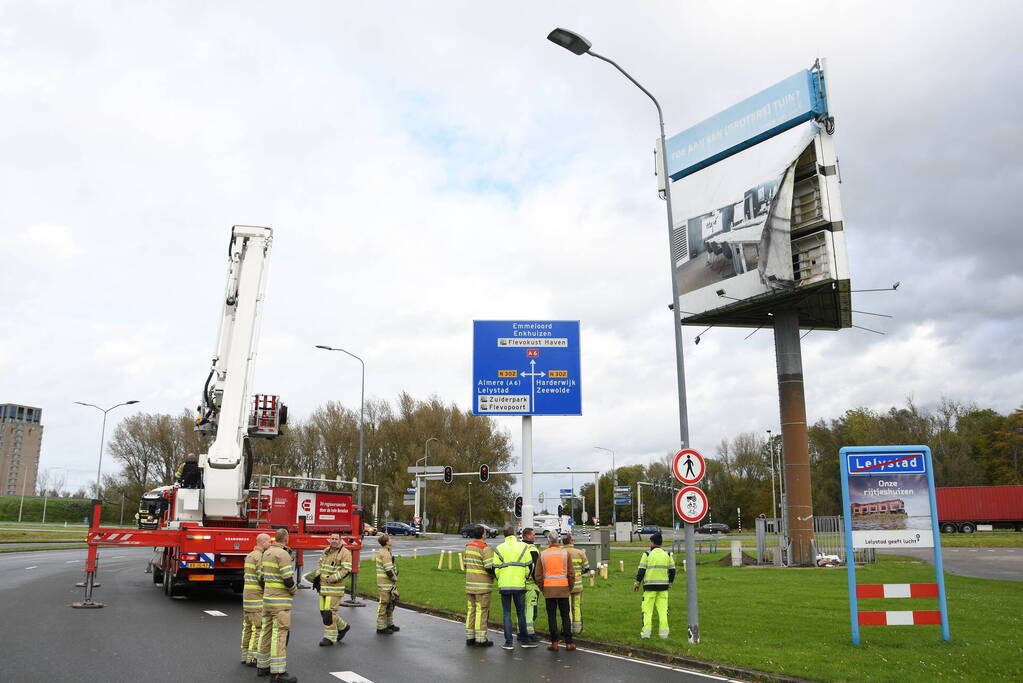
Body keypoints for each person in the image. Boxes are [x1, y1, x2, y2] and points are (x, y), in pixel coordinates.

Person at [257, 528, 298, 682]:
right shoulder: (283, 554)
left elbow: (261, 578)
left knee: (266, 632)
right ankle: (278, 673)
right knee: (280, 635)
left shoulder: (266, 553)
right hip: (280, 602)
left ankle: (262, 666)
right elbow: (288, 579)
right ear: (286, 539)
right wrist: (294, 591)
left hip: (267, 599)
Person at [492, 526, 537, 650]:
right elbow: (530, 566)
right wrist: (525, 577)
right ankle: (525, 640)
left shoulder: (499, 548)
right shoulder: (523, 547)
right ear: (515, 534)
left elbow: (495, 567)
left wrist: (500, 578)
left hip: (504, 584)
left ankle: (508, 642)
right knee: (521, 612)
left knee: (507, 613)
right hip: (519, 584)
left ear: (504, 535)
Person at [304, 532, 353, 646]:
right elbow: (320, 565)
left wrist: (332, 579)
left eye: (336, 538)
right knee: (323, 612)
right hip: (323, 588)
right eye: (332, 538)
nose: (334, 540)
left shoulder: (345, 553)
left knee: (329, 613)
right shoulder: (326, 551)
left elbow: (346, 570)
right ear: (329, 539)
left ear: (340, 540)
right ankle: (343, 627)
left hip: (334, 588)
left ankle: (329, 638)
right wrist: (317, 577)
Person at [534, 533, 576, 651]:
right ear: (558, 541)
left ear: (548, 541)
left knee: (551, 617)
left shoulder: (542, 554)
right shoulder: (565, 554)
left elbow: (538, 575)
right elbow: (571, 574)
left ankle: (554, 643)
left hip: (549, 589)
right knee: (565, 616)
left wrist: (543, 588)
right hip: (563, 588)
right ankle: (569, 643)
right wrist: (569, 587)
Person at [633, 532, 675, 639]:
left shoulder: (647, 555)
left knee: (647, 611)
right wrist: (670, 583)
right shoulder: (668, 554)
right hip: (663, 589)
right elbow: (672, 571)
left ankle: (646, 635)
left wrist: (637, 583)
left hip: (649, 589)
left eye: (650, 541)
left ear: (652, 543)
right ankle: (664, 635)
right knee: (663, 612)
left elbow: (641, 571)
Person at [241, 533, 271, 667]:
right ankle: (253, 657)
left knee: (247, 628)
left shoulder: (249, 555)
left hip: (247, 597)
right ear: (263, 542)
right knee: (259, 628)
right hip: (257, 598)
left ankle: (244, 655)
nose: (270, 544)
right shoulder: (260, 557)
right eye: (269, 542)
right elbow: (262, 577)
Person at [463, 526, 495, 647]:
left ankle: (470, 637)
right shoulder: (485, 548)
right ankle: (481, 639)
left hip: (470, 584)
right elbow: (488, 567)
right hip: (482, 586)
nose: (486, 535)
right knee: (481, 611)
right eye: (485, 533)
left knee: (471, 610)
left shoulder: (468, 546)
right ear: (482, 535)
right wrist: (495, 575)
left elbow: (466, 564)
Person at [563, 534, 590, 634]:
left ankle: (568, 628)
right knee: (576, 606)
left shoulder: (561, 552)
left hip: (566, 585)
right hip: (577, 584)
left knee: (567, 607)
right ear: (571, 541)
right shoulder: (580, 553)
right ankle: (577, 629)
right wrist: (579, 573)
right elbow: (587, 568)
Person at [375, 533, 399, 634]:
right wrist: (395, 578)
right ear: (386, 542)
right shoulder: (384, 553)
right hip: (385, 583)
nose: (392, 540)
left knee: (390, 604)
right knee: (384, 604)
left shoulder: (387, 551)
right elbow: (388, 570)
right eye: (390, 539)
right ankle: (381, 628)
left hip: (388, 583)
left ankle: (389, 624)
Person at [520, 527, 541, 641]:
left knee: (521, 609)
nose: (535, 537)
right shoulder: (532, 549)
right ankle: (529, 633)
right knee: (530, 609)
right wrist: (539, 581)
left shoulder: (519, 547)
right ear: (527, 536)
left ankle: (520, 631)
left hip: (519, 582)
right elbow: (536, 568)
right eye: (533, 535)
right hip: (531, 584)